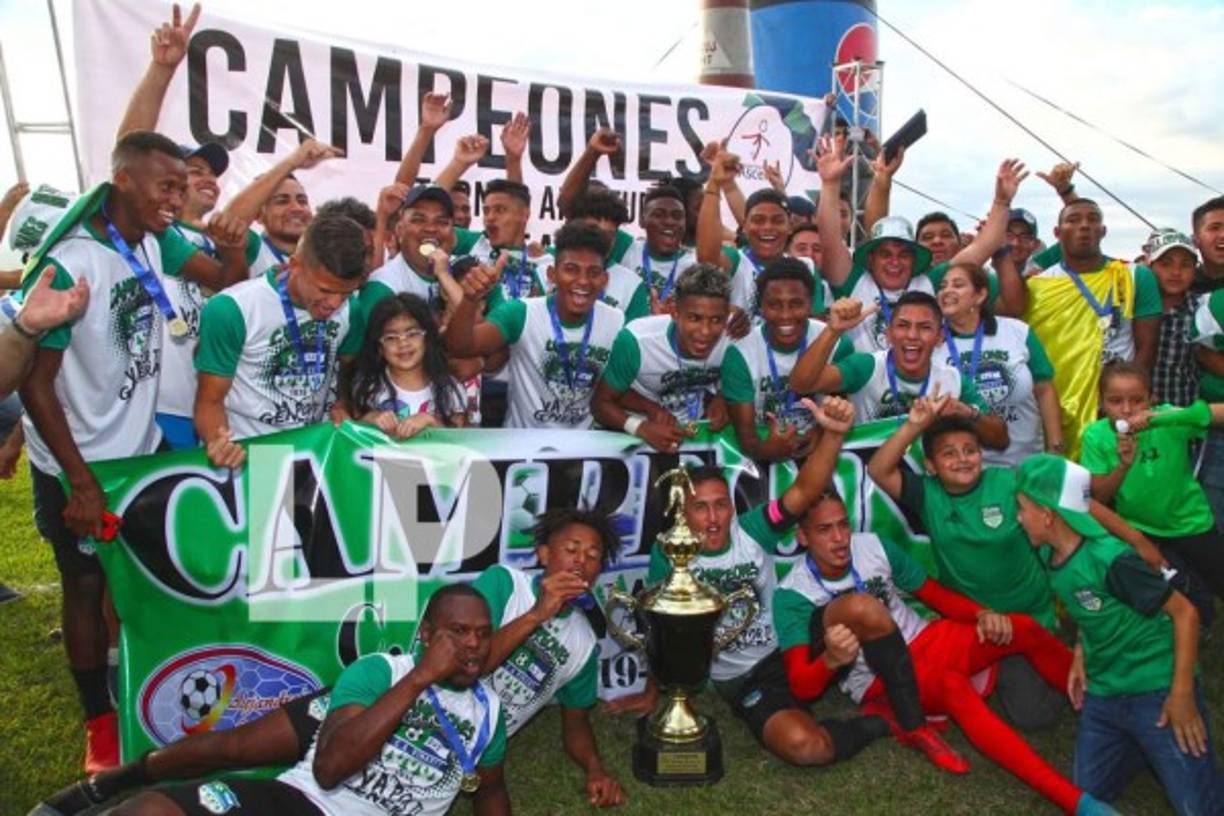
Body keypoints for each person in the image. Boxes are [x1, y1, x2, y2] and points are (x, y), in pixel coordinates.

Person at [18, 129, 249, 772]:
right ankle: (99, 724)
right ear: (123, 179)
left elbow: (222, 283)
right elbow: (35, 383)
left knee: (144, 580)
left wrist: (230, 251)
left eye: (183, 186)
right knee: (86, 585)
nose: (176, 198)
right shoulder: (74, 259)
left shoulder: (156, 239)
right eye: (166, 185)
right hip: (79, 459)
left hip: (140, 448)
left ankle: (151, 696)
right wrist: (80, 481)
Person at [774, 427, 1118, 815]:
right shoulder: (792, 594)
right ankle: (1076, 802)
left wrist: (983, 615)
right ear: (802, 537)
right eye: (824, 530)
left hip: (930, 637)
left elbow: (934, 596)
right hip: (880, 678)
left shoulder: (871, 546)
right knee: (954, 688)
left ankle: (1112, 705)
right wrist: (831, 661)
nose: (839, 538)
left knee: (1021, 626)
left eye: (843, 525)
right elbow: (801, 686)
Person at [608, 397, 893, 769]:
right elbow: (662, 630)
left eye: (721, 505)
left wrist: (834, 434)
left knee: (859, 606)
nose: (713, 519)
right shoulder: (669, 554)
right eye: (700, 507)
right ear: (683, 513)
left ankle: (906, 693)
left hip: (794, 639)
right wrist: (653, 689)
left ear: (732, 507)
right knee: (807, 747)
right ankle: (877, 723)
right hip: (748, 675)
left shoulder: (755, 528)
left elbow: (805, 490)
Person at [867, 400, 1164, 732]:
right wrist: (914, 424)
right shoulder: (927, 494)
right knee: (998, 704)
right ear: (932, 466)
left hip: (1030, 615)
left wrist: (1138, 541)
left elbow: (1082, 504)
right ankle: (1013, 664)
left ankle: (1068, 646)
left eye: (970, 449)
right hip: (976, 622)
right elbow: (878, 470)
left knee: (1035, 716)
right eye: (949, 453)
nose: (963, 458)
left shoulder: (1010, 482)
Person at [106, 584, 510, 816]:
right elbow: (330, 768)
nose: (472, 644)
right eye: (458, 631)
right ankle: (107, 785)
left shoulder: (488, 712)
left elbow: (489, 792)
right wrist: (422, 678)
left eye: (483, 633)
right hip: (304, 804)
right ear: (426, 634)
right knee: (149, 812)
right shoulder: (382, 673)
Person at [1016, 455, 1223, 815]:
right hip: (1106, 693)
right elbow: (1089, 609)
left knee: (1199, 808)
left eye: (1022, 509)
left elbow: (1186, 614)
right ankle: (1146, 748)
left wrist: (1182, 694)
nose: (1019, 519)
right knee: (1087, 795)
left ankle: (1159, 741)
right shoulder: (1052, 553)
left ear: (1048, 516)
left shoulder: (1112, 561)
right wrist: (1081, 653)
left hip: (1157, 689)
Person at [471, 508, 624, 807]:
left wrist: (595, 769)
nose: (581, 560)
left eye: (593, 556)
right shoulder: (503, 584)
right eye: (571, 550)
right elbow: (467, 666)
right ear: (544, 555)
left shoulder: (583, 642)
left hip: (483, 748)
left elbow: (576, 723)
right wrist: (536, 615)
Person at [819, 137, 1028, 353]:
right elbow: (829, 239)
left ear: (914, 259)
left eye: (903, 254)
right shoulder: (853, 280)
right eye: (885, 254)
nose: (894, 261)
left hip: (927, 385)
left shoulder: (930, 283)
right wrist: (830, 184)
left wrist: (1002, 202)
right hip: (864, 384)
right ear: (871, 259)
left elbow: (985, 245)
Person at [193, 211, 367, 469]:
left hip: (315, 452)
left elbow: (349, 370)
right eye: (325, 290)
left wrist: (343, 403)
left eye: (346, 292)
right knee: (271, 510)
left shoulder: (352, 309)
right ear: (294, 265)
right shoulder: (232, 309)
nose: (334, 303)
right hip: (255, 455)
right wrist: (218, 442)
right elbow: (209, 401)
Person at [443, 222, 624, 429]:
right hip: (525, 450)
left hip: (583, 450)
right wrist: (469, 299)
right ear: (551, 274)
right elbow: (460, 346)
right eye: (571, 270)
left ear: (604, 279)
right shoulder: (521, 313)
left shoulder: (615, 321)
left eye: (593, 272)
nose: (582, 281)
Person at [1081, 362, 1224, 622]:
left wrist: (1167, 417)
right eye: (1115, 401)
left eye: (1137, 400)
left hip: (1189, 521)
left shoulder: (1167, 420)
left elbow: (1217, 413)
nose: (1126, 409)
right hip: (1139, 527)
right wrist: (1122, 466)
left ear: (1152, 399)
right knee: (1157, 590)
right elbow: (1098, 498)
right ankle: (1190, 621)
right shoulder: (1095, 436)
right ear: (1101, 403)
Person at [1022, 199, 1162, 458]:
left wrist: (1127, 401)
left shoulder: (1135, 276)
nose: (1084, 226)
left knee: (1119, 485)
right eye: (1073, 220)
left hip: (1118, 409)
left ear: (1103, 230)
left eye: (1093, 219)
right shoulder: (1037, 286)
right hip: (1060, 407)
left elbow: (1147, 348)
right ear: (1057, 232)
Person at [788, 294, 1007, 448]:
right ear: (889, 333)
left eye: (925, 327)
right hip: (868, 485)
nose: (912, 335)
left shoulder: (952, 380)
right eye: (903, 325)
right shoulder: (868, 367)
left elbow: (1000, 440)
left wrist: (968, 413)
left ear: (940, 337)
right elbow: (801, 384)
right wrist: (833, 330)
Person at [721, 257, 853, 461]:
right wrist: (769, 452)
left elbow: (842, 409)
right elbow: (746, 437)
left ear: (810, 303)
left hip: (818, 449)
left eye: (796, 304)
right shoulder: (739, 354)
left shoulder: (836, 343)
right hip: (761, 451)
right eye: (774, 305)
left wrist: (820, 434)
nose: (785, 315)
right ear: (761, 307)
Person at [591, 263, 732, 452]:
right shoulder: (638, 341)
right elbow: (600, 405)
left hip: (694, 434)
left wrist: (723, 397)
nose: (705, 331)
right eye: (694, 318)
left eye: (716, 320)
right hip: (638, 437)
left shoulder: (733, 338)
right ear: (674, 313)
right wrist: (641, 428)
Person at [935, 261, 1063, 464]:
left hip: (1027, 463)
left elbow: (1044, 390)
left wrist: (1056, 451)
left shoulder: (1017, 331)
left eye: (958, 285)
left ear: (980, 295)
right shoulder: (933, 342)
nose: (947, 291)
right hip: (964, 469)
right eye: (942, 286)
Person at [348, 293, 467, 438]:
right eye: (391, 338)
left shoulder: (450, 388)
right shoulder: (368, 387)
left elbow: (460, 443)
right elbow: (351, 438)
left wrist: (431, 421)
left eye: (412, 333)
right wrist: (370, 419)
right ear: (379, 347)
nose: (403, 343)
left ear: (428, 338)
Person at [223, 138, 345, 275]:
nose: (296, 208)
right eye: (282, 201)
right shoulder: (254, 247)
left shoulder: (325, 258)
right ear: (258, 215)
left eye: (302, 200)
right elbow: (227, 223)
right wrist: (292, 163)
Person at [696, 150, 785, 324]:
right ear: (744, 226)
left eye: (777, 220)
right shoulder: (736, 260)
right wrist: (714, 184)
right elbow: (706, 259)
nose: (768, 227)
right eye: (758, 221)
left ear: (790, 226)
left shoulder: (805, 266)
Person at [361, 185, 458, 317]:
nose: (430, 228)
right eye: (418, 220)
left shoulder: (468, 273)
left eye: (441, 222)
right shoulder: (381, 287)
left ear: (453, 234)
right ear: (400, 230)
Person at [563, 190, 650, 320]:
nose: (600, 240)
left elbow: (633, 337)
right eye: (593, 231)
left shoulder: (632, 285)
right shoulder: (546, 270)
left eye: (609, 235)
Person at [1141, 229, 1204, 407]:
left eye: (1185, 265)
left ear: (1195, 269)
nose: (1176, 272)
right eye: (1166, 264)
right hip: (1134, 418)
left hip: (1183, 418)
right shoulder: (1129, 307)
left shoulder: (1202, 310)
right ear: (1149, 265)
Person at [617, 185, 698, 316]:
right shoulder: (625, 247)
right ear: (642, 221)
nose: (669, 221)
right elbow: (572, 206)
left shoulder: (696, 264)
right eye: (659, 214)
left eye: (677, 216)